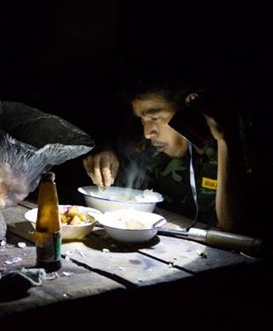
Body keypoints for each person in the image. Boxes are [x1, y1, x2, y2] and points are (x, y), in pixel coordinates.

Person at [81, 75, 254, 233]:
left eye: (155, 118)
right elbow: (121, 184)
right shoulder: (150, 150)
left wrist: (225, 141)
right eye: (142, 120)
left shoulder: (237, 146)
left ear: (191, 109)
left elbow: (234, 225)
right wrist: (106, 151)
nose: (148, 133)